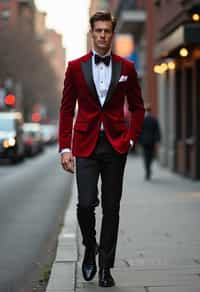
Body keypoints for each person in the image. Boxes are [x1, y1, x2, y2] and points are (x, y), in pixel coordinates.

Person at [59, 11, 144, 287]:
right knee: (85, 204)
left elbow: (137, 107)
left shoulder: (126, 69)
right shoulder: (75, 67)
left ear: (112, 33)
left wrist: (130, 138)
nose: (103, 35)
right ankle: (89, 247)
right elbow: (66, 109)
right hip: (85, 144)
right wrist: (64, 148)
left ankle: (106, 267)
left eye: (107, 31)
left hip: (115, 145)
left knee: (112, 208)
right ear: (92, 33)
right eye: (98, 31)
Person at [139, 103, 161, 180]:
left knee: (146, 156)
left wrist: (139, 141)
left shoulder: (142, 119)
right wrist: (158, 140)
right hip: (152, 141)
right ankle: (148, 168)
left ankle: (147, 169)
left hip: (144, 142)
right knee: (151, 156)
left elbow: (139, 131)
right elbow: (157, 130)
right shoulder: (154, 119)